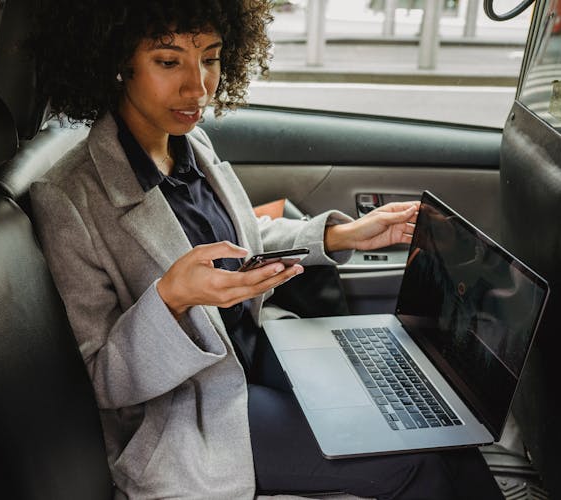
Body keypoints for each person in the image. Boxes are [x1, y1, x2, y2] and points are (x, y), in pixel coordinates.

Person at [29, 1, 504, 498]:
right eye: (168, 62)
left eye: (210, 58)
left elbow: (237, 243)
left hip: (258, 352)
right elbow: (102, 379)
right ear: (117, 61)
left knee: (447, 430)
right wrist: (172, 298)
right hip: (187, 410)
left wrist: (338, 236)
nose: (198, 87)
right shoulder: (69, 197)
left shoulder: (189, 143)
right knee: (417, 462)